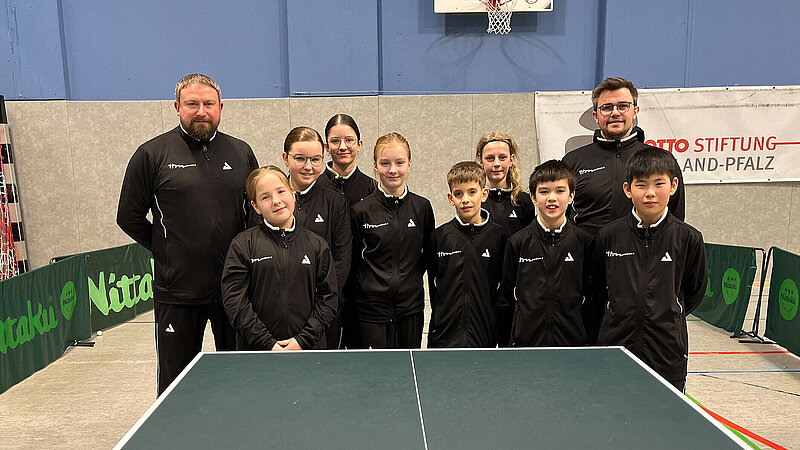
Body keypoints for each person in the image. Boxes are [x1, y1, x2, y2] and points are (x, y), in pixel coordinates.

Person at [117, 73, 258, 395]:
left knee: (242, 379)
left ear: (220, 108)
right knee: (175, 385)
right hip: (177, 292)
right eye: (192, 104)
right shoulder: (152, 154)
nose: (201, 112)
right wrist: (167, 250)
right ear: (177, 107)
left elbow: (254, 212)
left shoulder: (241, 152)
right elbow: (129, 217)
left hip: (234, 289)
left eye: (209, 104)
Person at [595, 147, 707, 392]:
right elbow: (599, 289)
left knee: (665, 412)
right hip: (616, 346)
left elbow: (694, 290)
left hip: (667, 350)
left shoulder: (688, 238)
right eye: (641, 185)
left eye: (659, 184)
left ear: (673, 186)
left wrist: (666, 313)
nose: (650, 193)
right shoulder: (608, 236)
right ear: (627, 189)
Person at [221, 166, 338, 351]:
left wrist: (302, 340)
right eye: (265, 197)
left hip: (308, 349)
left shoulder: (317, 245)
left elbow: (328, 299)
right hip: (258, 351)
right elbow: (235, 301)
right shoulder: (242, 245)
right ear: (256, 207)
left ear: (292, 194)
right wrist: (267, 343)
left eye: (281, 191)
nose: (276, 201)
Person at [562, 77, 685, 238]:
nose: (615, 113)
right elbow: (561, 216)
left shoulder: (662, 160)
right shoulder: (572, 161)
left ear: (635, 111)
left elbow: (675, 218)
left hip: (643, 251)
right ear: (596, 115)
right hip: (587, 252)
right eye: (607, 108)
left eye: (623, 106)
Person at [350, 132, 434, 348]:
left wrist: (408, 281)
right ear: (375, 166)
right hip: (370, 312)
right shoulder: (361, 211)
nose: (393, 170)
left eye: (399, 162)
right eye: (385, 163)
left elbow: (427, 256)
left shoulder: (422, 207)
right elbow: (354, 261)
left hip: (410, 309)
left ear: (409, 164)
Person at [498, 160, 595, 347]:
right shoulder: (517, 242)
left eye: (560, 191)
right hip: (526, 345)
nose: (552, 198)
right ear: (533, 198)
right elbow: (506, 299)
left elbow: (592, 298)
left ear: (571, 196)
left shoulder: (585, 243)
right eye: (544, 192)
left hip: (573, 344)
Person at [280, 126, 352, 349]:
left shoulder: (335, 202)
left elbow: (341, 261)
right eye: (300, 159)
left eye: (315, 159)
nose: (308, 166)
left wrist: (321, 309)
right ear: (285, 158)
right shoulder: (272, 200)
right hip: (281, 311)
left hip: (323, 315)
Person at [427, 162, 508, 348]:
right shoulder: (439, 237)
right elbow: (435, 289)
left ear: (484, 194)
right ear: (450, 198)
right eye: (458, 194)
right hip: (444, 338)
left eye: (472, 192)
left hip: (484, 337)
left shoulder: (499, 237)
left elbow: (502, 291)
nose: (465, 199)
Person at [475, 130, 535, 347]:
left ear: (511, 159)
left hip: (514, 294)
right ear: (480, 161)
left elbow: (529, 245)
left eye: (502, 157)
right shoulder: (475, 200)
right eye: (490, 158)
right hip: (483, 291)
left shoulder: (523, 201)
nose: (496, 164)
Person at [321, 114, 377, 206]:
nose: (342, 147)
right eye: (335, 141)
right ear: (327, 147)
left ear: (359, 145)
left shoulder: (373, 189)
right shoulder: (314, 188)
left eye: (349, 140)